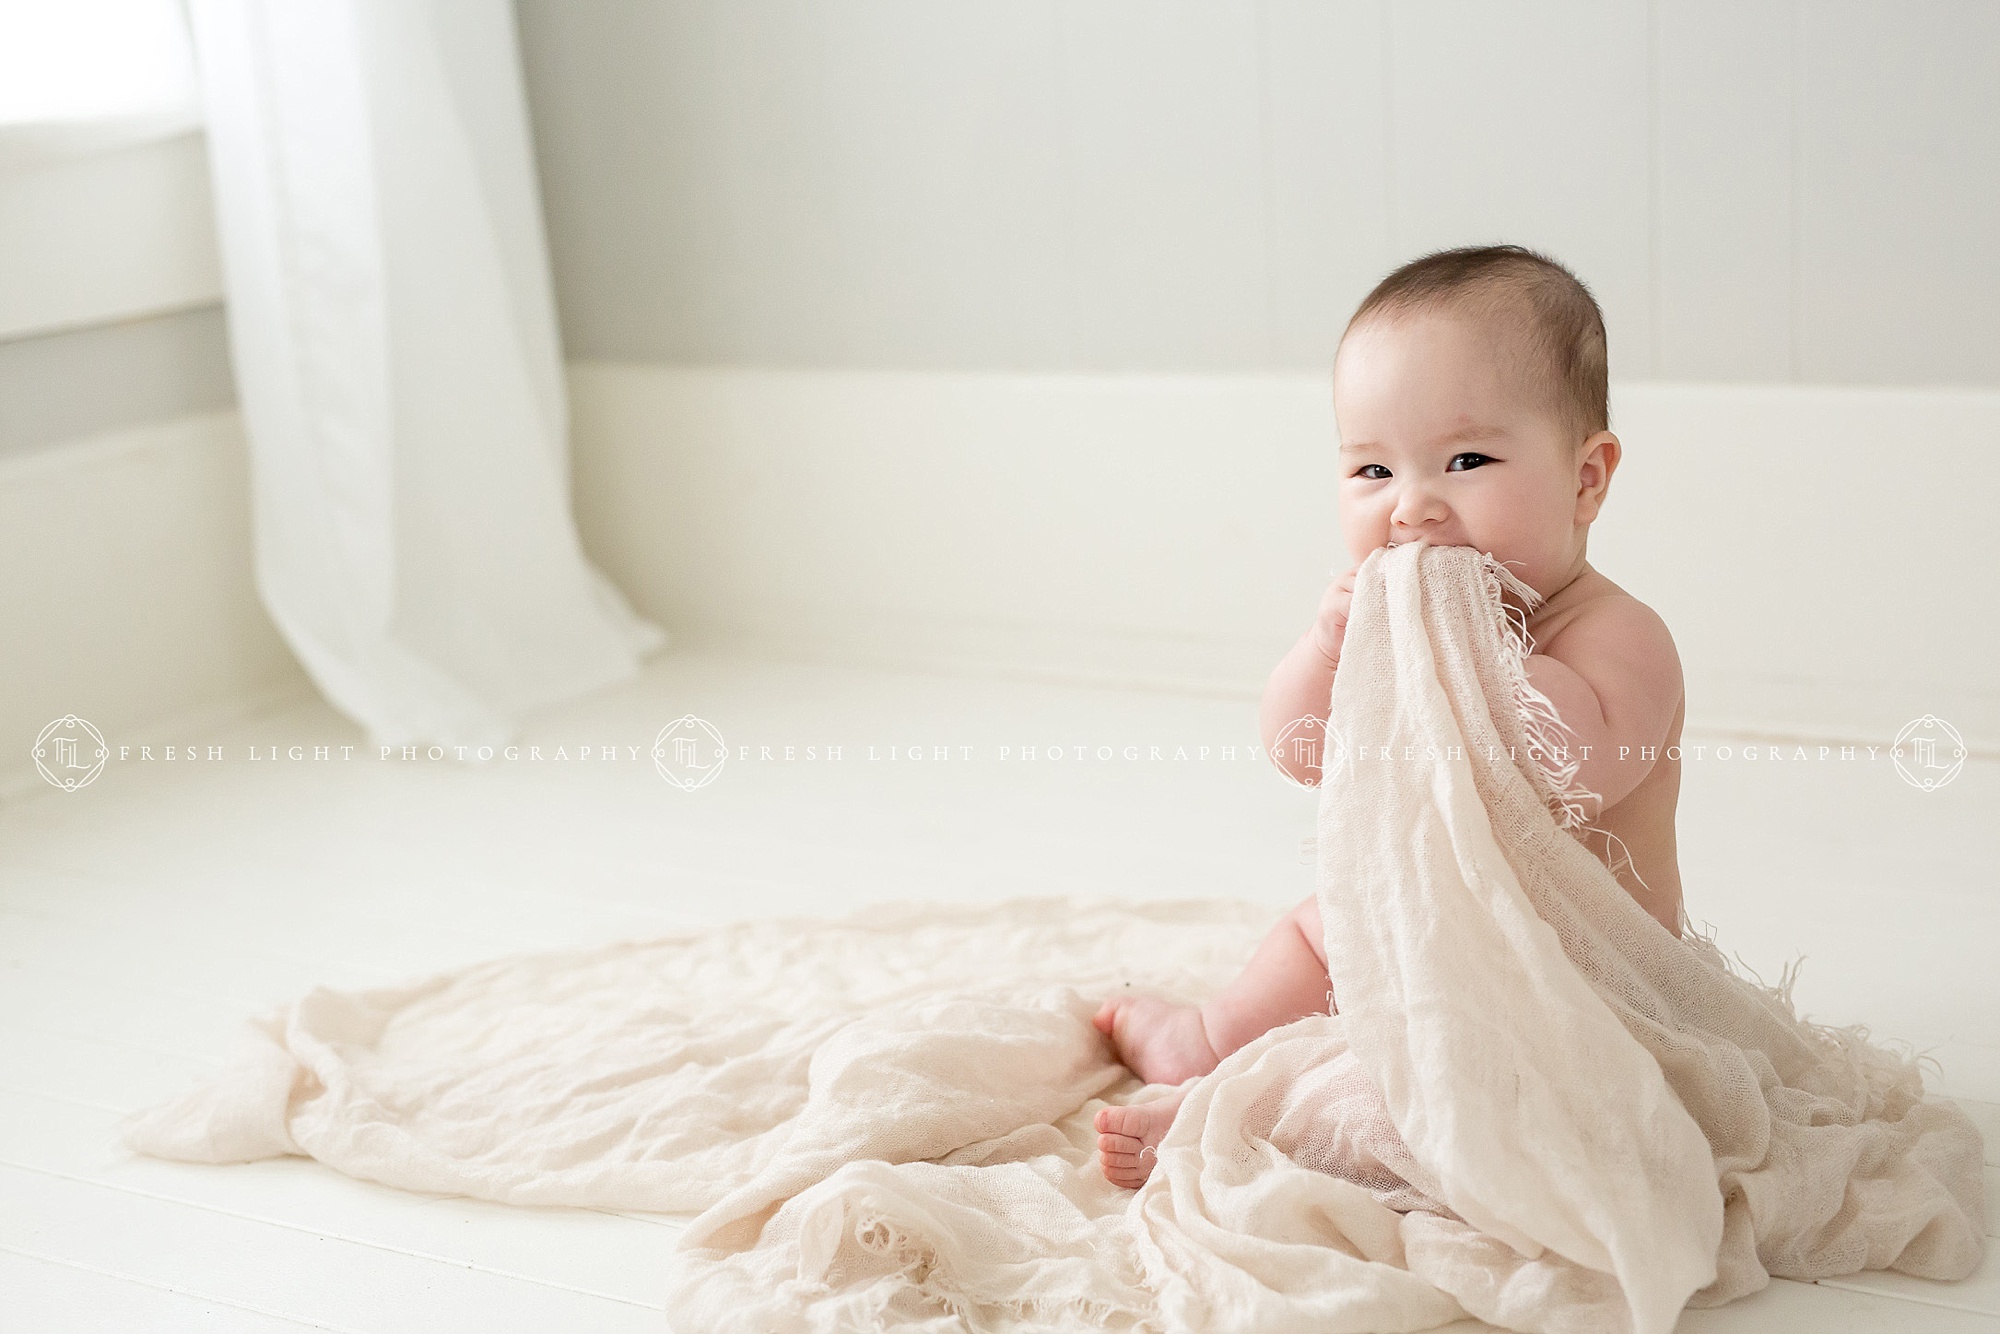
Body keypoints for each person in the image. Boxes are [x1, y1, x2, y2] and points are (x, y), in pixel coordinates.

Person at [1093, 245, 1688, 1189]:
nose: (1413, 507)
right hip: (1425, 938)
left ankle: (1238, 1121)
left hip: (1582, 988)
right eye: (1373, 469)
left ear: (1587, 479)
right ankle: (1209, 1038)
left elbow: (1579, 768)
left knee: (1420, 1083)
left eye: (1466, 460)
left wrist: (1480, 644)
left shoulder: (1620, 637)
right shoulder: (1380, 630)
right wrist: (1330, 649)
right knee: (1317, 931)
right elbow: (1299, 750)